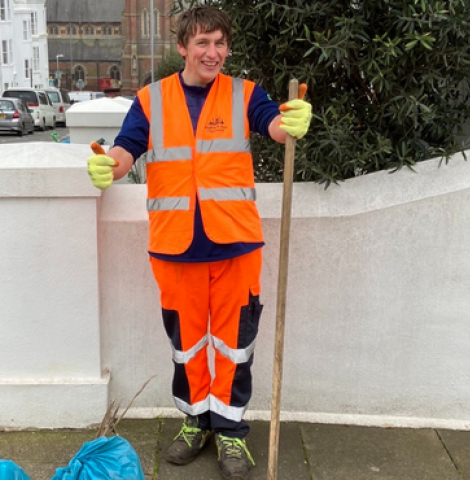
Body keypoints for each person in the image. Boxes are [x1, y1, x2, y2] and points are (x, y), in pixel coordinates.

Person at [87, 5, 311, 480]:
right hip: (175, 246)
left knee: (234, 346)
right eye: (203, 43)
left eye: (220, 43)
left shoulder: (245, 93)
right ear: (183, 48)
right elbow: (129, 146)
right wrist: (111, 164)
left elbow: (270, 123)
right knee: (187, 346)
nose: (214, 53)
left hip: (235, 242)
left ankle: (230, 430)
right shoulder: (151, 99)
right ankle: (195, 421)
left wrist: (288, 122)